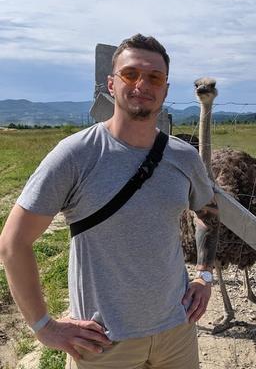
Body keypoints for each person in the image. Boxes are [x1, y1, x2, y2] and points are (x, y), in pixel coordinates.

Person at [0, 34, 219, 369]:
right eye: (130, 74)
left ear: (165, 90)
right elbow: (13, 242)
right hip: (103, 342)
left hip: (176, 331)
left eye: (154, 77)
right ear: (111, 84)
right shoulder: (76, 155)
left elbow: (208, 211)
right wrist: (44, 326)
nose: (142, 84)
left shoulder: (183, 157)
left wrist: (204, 276)